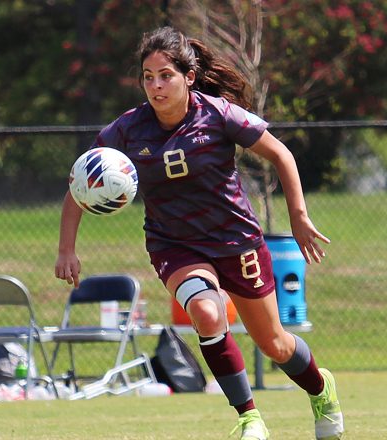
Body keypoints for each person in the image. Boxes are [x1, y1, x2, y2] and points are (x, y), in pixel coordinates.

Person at [55, 27, 343, 440]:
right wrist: (67, 249)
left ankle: (322, 390)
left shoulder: (219, 114)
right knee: (207, 314)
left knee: (275, 344)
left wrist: (298, 215)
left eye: (165, 75)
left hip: (237, 242)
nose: (156, 85)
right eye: (148, 76)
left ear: (188, 77)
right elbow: (80, 184)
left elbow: (281, 153)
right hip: (174, 245)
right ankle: (249, 418)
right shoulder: (125, 131)